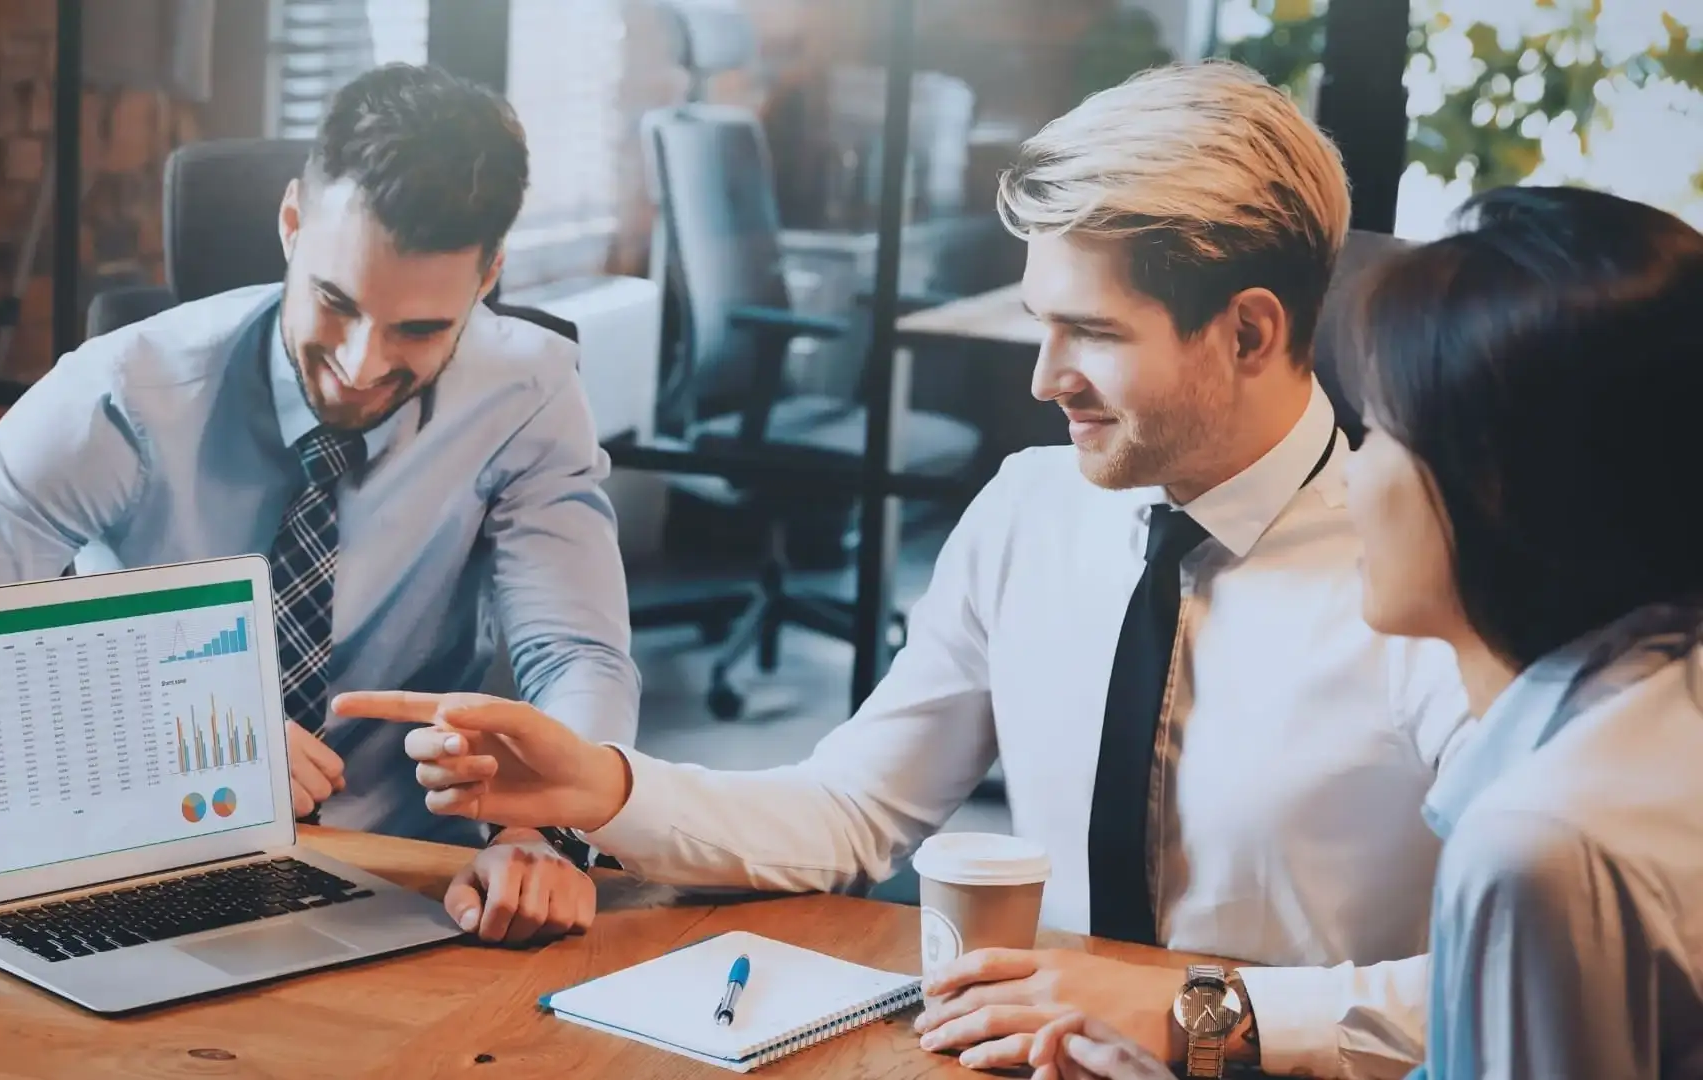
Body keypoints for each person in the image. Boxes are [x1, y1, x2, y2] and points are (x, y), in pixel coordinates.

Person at [334, 60, 1473, 1079]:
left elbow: (1520, 975)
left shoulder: (1432, 584)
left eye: (1094, 334)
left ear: (1251, 333)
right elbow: (853, 811)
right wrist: (606, 788)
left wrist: (1198, 1014)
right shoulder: (1031, 510)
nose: (1042, 378)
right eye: (1040, 322)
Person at [0, 63, 636, 946]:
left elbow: (577, 655)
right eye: (335, 302)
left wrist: (544, 830)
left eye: (418, 329)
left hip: (405, 879)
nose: (361, 366)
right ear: (291, 224)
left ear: (487, 279)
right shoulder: (123, 397)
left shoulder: (529, 392)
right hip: (138, 861)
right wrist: (155, 727)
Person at [1013, 187, 1703, 1078]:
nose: (1356, 474)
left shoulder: (1539, 844)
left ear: (1502, 493)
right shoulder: (1657, 711)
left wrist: (1195, 1025)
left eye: (1379, 431)